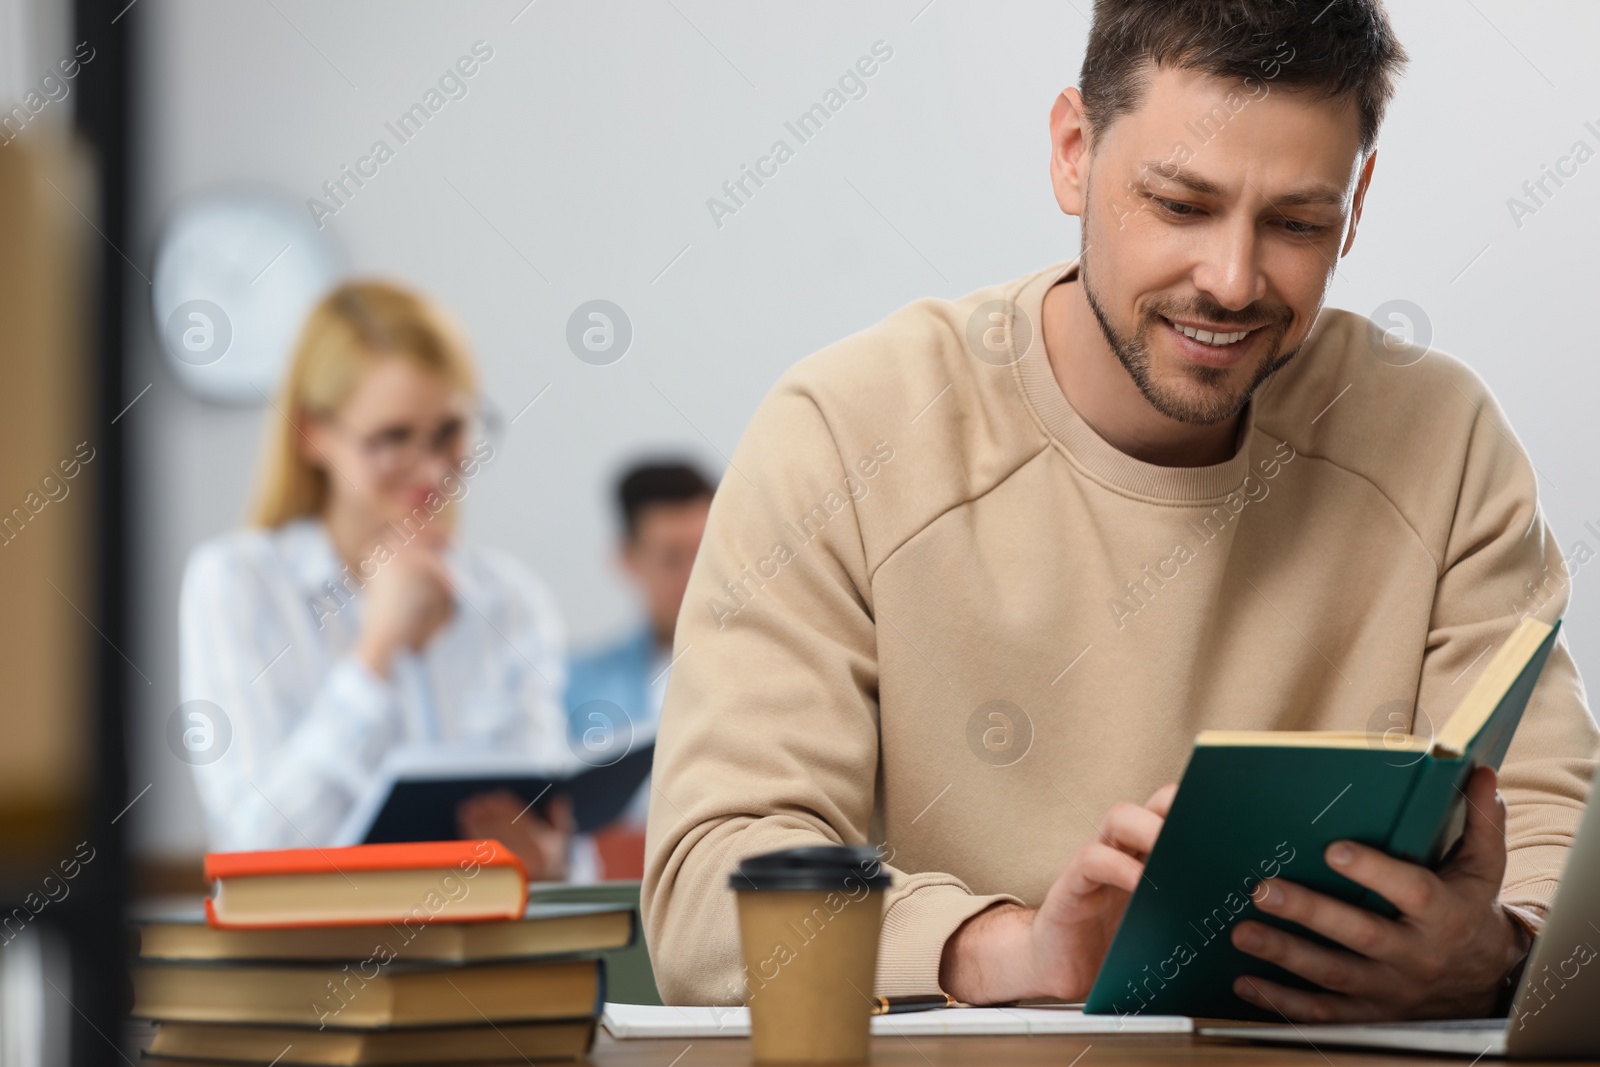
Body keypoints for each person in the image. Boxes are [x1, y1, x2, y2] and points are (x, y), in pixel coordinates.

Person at [642, 0, 1600, 1022]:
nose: (1231, 281)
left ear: (1356, 204)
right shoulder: (844, 431)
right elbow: (711, 889)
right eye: (1181, 205)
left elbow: (1558, 831)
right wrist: (1002, 946)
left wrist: (1500, 951)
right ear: (1071, 151)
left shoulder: (1440, 437)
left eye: (1295, 222)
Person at [179, 279, 578, 879]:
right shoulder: (238, 582)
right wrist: (378, 651)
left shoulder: (511, 597)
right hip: (316, 966)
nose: (431, 468)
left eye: (448, 432)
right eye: (392, 439)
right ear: (312, 433)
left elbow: (555, 821)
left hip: (490, 957)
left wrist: (554, 861)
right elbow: (253, 849)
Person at [565, 462, 714, 877]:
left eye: (705, 554)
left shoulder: (775, 675)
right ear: (628, 559)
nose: (694, 577)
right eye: (670, 558)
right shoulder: (571, 682)